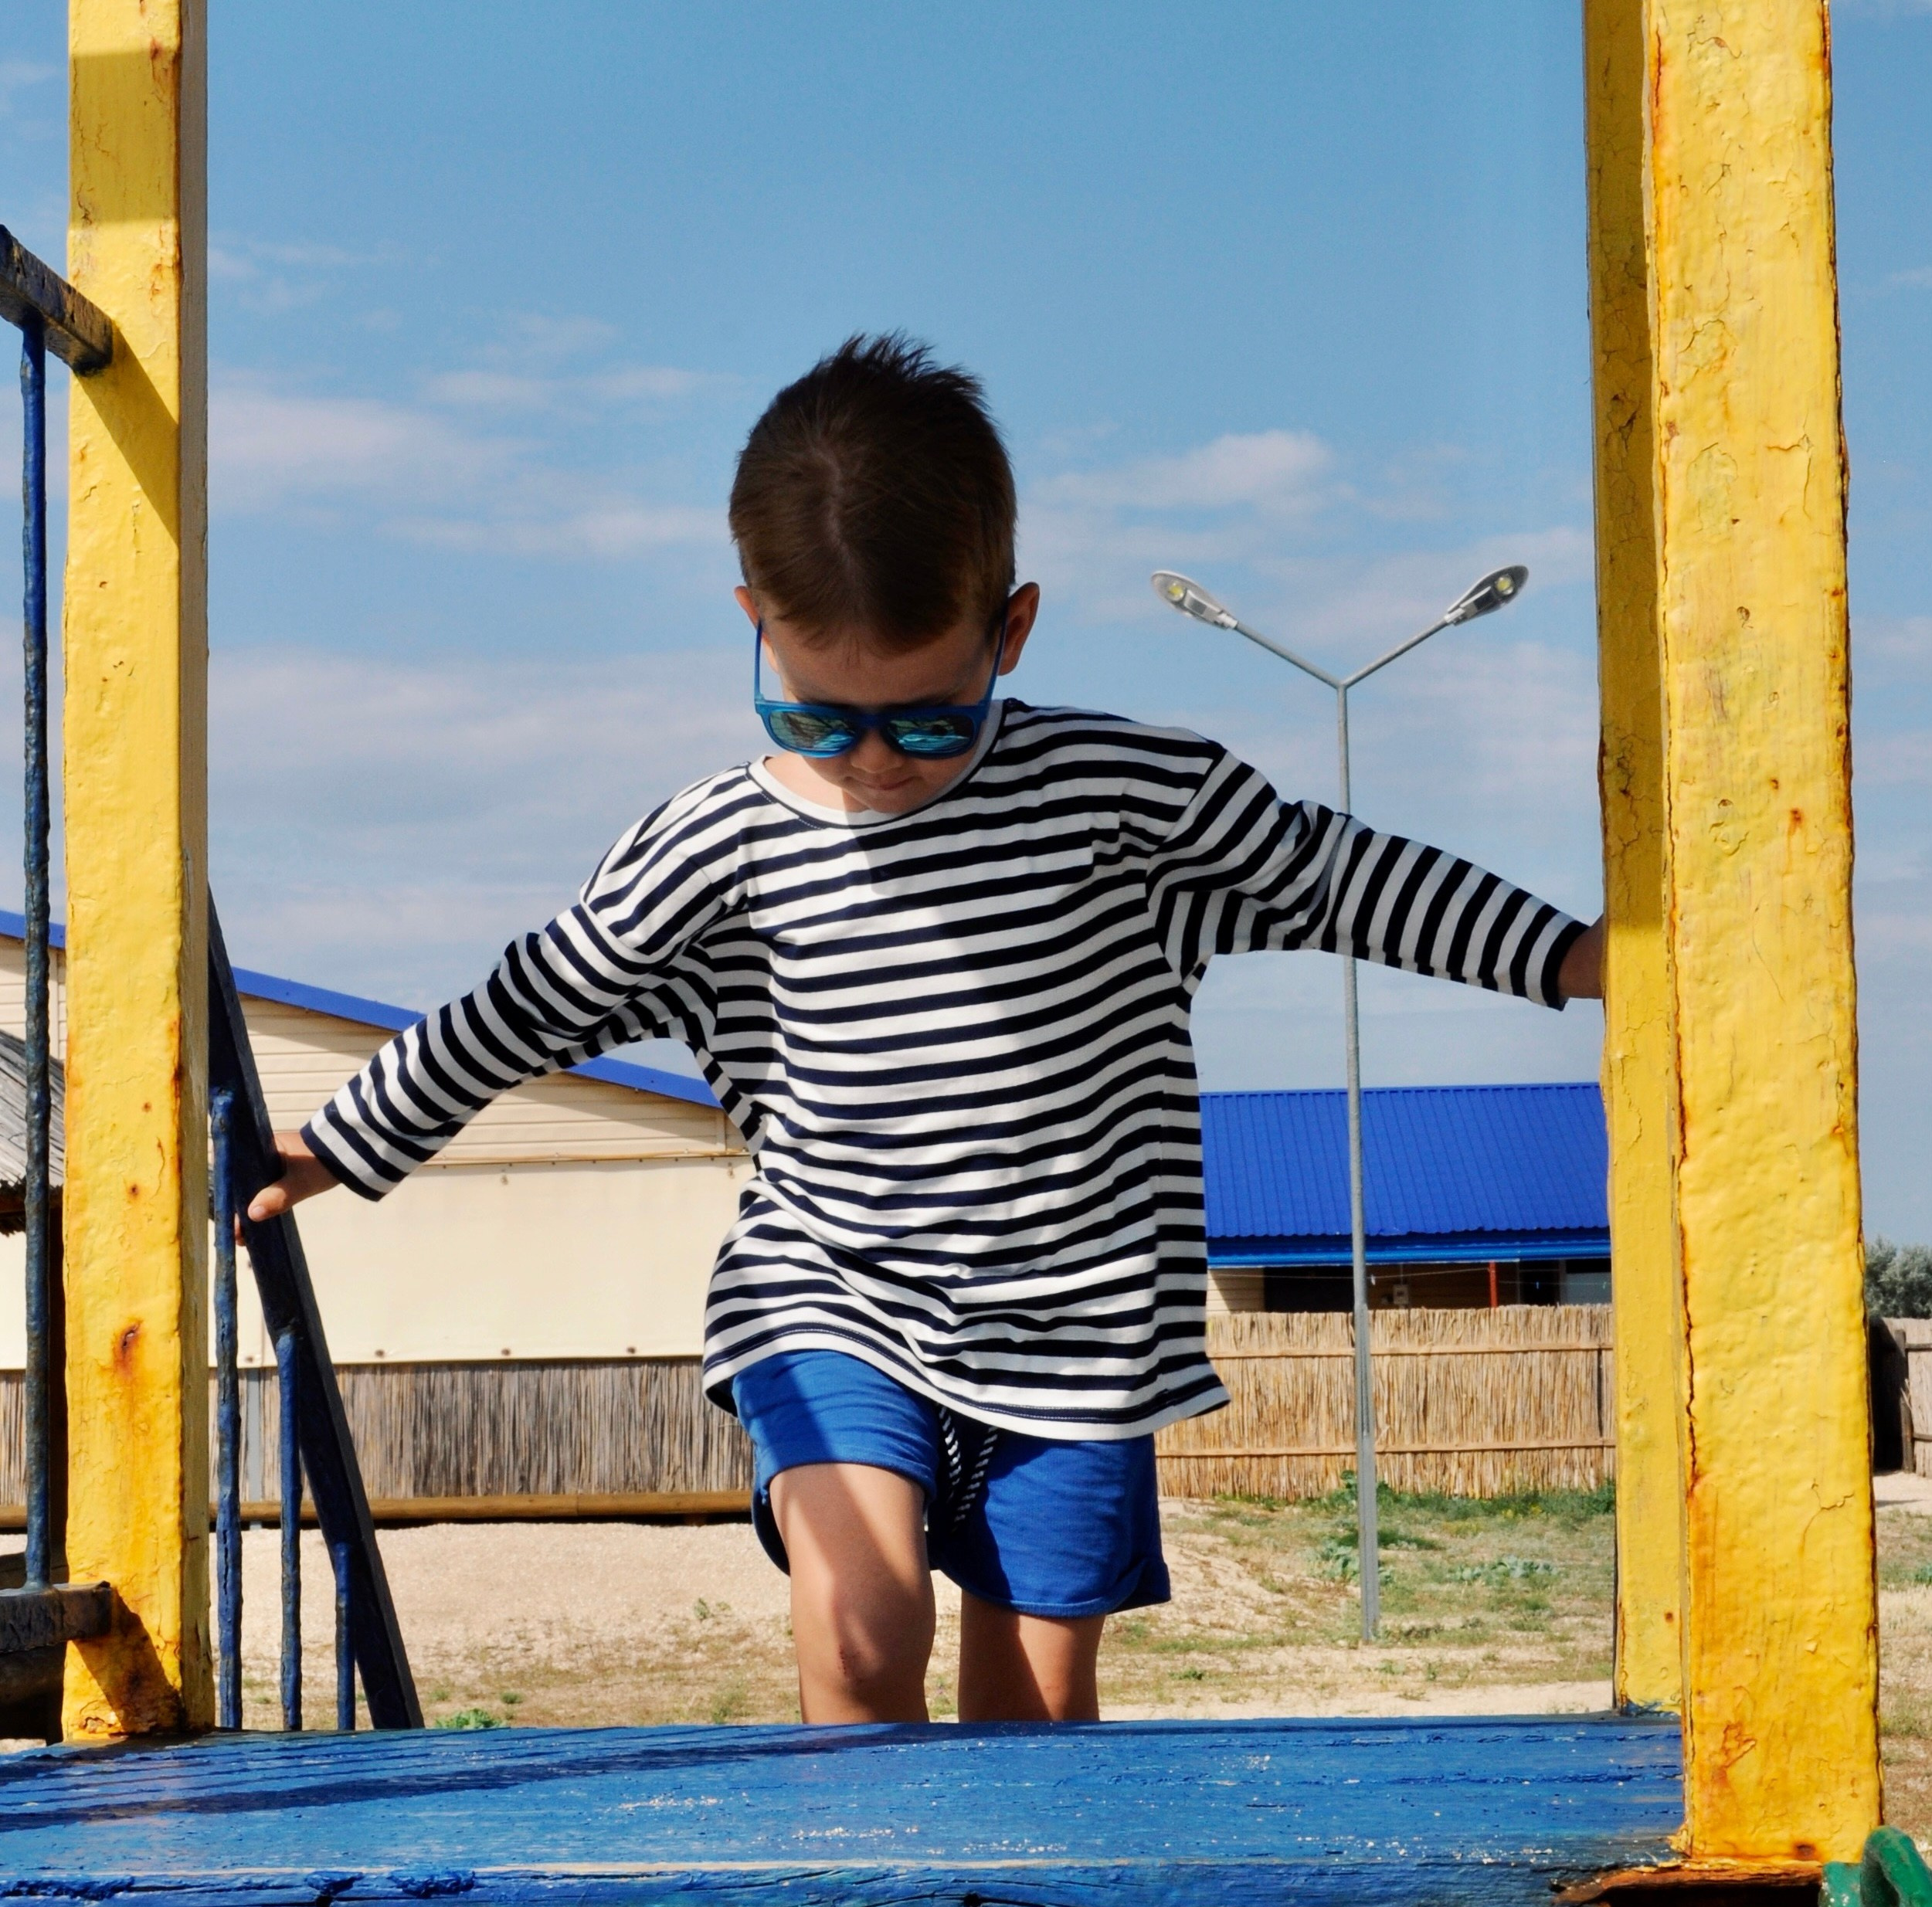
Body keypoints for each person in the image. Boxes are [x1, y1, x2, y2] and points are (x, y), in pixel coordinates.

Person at [253, 334, 1604, 1727]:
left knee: (1032, 1718)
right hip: (832, 1292)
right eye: (815, 715)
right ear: (753, 622)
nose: (873, 757)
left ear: (1009, 632)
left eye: (927, 720)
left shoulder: (1120, 799)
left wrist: (1575, 958)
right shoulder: (713, 850)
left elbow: (1344, 878)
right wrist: (346, 1139)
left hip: (1078, 1332)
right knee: (861, 1624)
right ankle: (857, 1865)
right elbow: (534, 996)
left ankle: (995, 1874)